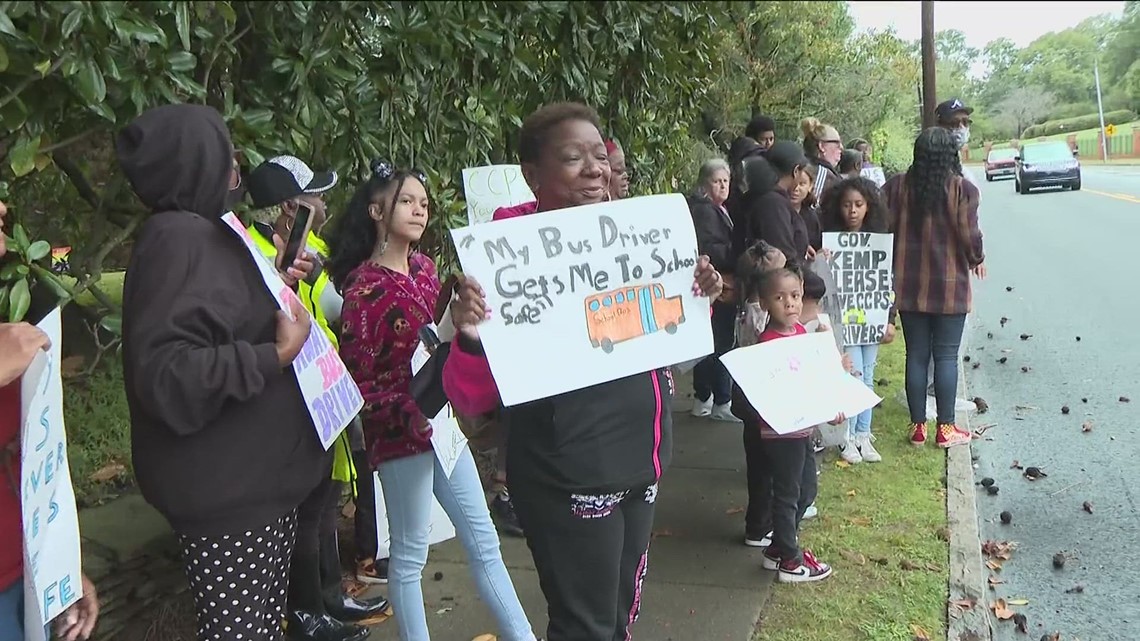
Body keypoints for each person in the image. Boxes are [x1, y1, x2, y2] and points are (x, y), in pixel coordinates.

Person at [441, 102, 724, 641]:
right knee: (585, 626)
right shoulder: (501, 267)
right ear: (532, 175)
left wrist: (696, 296)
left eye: (600, 155)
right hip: (568, 475)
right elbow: (469, 396)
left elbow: (666, 344)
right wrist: (473, 336)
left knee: (618, 617)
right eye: (573, 159)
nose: (595, 169)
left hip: (642, 462)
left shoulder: (637, 243)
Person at [116, 103, 327, 641]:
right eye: (222, 150)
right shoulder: (174, 240)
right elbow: (166, 373)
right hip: (230, 502)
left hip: (258, 488)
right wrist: (272, 357)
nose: (235, 164)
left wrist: (276, 278)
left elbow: (221, 317)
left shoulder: (211, 232)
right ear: (192, 161)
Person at [326, 160, 536, 641]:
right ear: (377, 211)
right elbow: (361, 382)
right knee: (410, 556)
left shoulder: (425, 270)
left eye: (423, 202)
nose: (419, 210)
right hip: (402, 434)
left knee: (484, 542)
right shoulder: (363, 288)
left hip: (444, 425)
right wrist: (406, 411)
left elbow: (440, 345)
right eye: (407, 201)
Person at [245, 157, 388, 640]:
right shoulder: (256, 255)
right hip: (290, 402)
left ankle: (329, 597)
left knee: (325, 502)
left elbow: (334, 309)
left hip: (323, 392)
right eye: (314, 196)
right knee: (305, 510)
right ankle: (306, 614)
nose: (323, 203)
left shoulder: (311, 249)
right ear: (290, 208)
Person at [1, 200, 100, 641]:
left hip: (24, 574)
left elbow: (33, 453)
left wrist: (59, 563)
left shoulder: (15, 303)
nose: (3, 207)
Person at [734, 262, 844, 583]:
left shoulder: (800, 334)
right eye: (780, 298)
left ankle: (779, 548)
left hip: (803, 428)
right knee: (788, 494)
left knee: (806, 489)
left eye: (795, 295)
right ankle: (791, 561)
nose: (791, 303)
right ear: (765, 304)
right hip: (781, 433)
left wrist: (832, 400)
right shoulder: (768, 345)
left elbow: (813, 379)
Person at [883, 128, 985, 449]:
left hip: (908, 286)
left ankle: (917, 428)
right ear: (950, 155)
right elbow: (971, 237)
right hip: (950, 288)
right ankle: (945, 429)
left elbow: (881, 225)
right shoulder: (962, 191)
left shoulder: (898, 188)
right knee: (945, 357)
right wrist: (978, 259)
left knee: (915, 355)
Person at [819, 177, 896, 464]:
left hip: (871, 320)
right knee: (853, 374)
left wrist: (890, 318)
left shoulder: (879, 240)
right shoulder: (829, 240)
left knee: (868, 376)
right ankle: (847, 436)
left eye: (859, 205)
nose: (852, 211)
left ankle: (863, 433)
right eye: (847, 205)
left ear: (869, 207)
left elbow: (887, 282)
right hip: (844, 323)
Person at [687, 158, 739, 422]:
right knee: (719, 343)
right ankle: (718, 400)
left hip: (714, 284)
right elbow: (712, 247)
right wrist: (739, 253)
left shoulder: (717, 208)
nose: (722, 186)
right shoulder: (706, 210)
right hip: (716, 284)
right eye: (716, 181)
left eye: (726, 181)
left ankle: (706, 398)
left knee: (714, 343)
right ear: (704, 184)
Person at [732, 141, 811, 263]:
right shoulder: (773, 204)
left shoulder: (768, 197)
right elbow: (782, 255)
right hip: (776, 279)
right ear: (795, 171)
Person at [800, 117, 843, 204]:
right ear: (822, 146)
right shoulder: (822, 175)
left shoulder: (801, 165)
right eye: (837, 143)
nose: (841, 148)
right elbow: (813, 209)